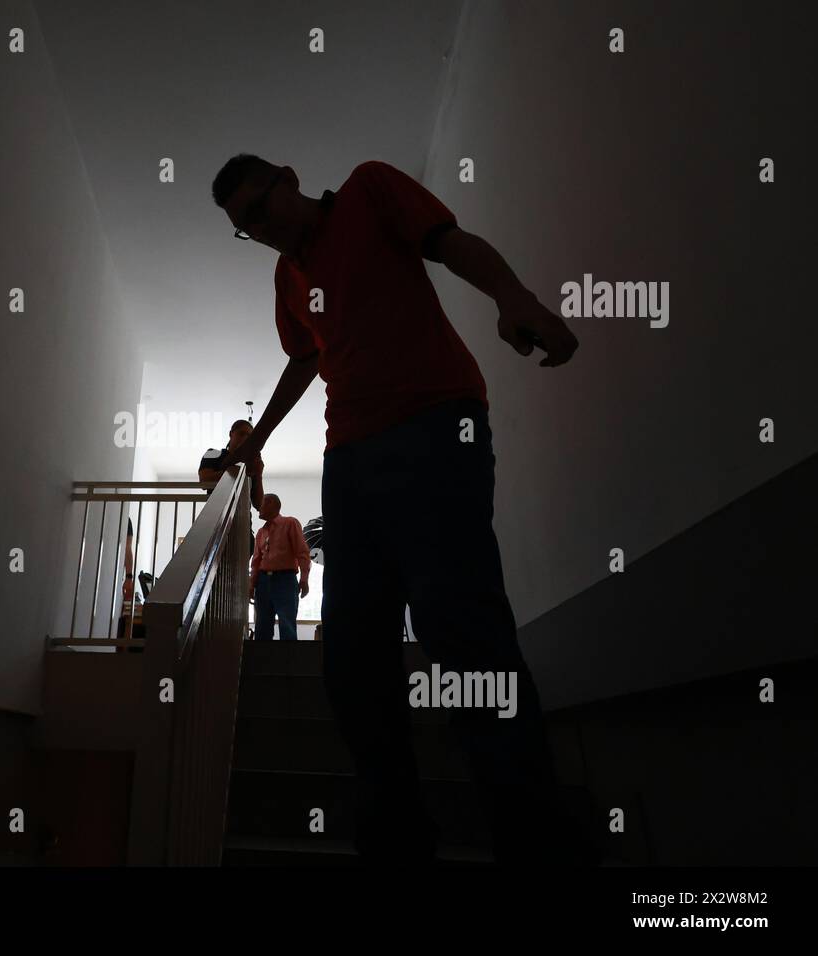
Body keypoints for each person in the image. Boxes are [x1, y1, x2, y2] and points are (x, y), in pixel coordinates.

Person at [211, 154, 593, 866]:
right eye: (244, 228)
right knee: (353, 659)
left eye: (260, 211)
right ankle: (396, 841)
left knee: (462, 630)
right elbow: (305, 359)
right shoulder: (286, 278)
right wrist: (254, 441)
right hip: (350, 459)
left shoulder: (369, 191)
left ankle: (537, 838)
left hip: (436, 423)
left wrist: (516, 297)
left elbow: (450, 243)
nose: (259, 231)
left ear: (288, 179)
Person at [249, 494, 311, 641]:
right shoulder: (261, 532)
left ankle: (288, 662)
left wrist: (304, 578)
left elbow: (302, 553)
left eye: (262, 504)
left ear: (271, 504)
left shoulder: (290, 523)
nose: (259, 508)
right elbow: (256, 562)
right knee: (262, 626)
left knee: (287, 625)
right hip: (263, 581)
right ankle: (263, 661)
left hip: (286, 579)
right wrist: (252, 585)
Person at [198, 418, 263, 556]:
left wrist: (259, 474)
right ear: (231, 434)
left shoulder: (251, 462)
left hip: (243, 529)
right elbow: (204, 480)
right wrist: (237, 471)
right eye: (241, 433)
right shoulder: (213, 452)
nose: (245, 438)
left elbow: (259, 504)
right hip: (215, 524)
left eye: (249, 436)